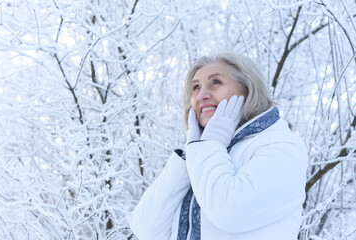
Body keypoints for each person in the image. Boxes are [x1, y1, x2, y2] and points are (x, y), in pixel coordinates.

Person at [129, 52, 308, 240]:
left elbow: (230, 213)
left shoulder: (282, 146)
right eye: (196, 87)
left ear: (248, 90)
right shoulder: (201, 156)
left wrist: (209, 145)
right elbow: (145, 229)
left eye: (216, 82)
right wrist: (191, 153)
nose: (202, 95)